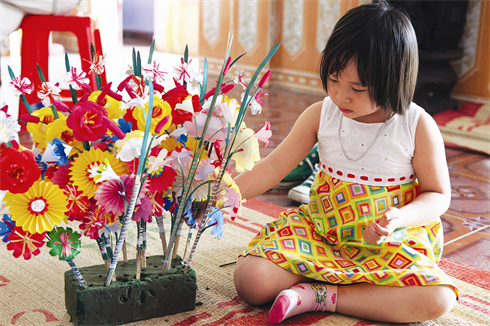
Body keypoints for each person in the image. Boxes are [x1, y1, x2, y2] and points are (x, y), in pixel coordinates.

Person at [233, 1, 458, 324]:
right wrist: (224, 194)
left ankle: (320, 296)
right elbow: (272, 168)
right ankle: (344, 288)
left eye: (357, 88)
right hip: (323, 231)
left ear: (394, 80)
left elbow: (438, 194)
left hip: (387, 244)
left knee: (438, 298)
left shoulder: (416, 125)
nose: (341, 96)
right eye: (334, 79)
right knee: (252, 281)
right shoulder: (320, 114)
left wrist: (398, 218)